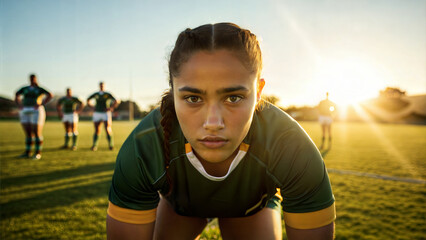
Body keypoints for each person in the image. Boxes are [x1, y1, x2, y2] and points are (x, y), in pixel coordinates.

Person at [106, 23, 336, 240]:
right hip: (180, 206)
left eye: (233, 97)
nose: (213, 123)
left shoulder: (290, 145)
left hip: (252, 206)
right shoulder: (144, 146)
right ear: (173, 91)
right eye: (193, 98)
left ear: (258, 91)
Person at [15, 74, 53, 160]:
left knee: (36, 132)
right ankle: (28, 152)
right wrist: (19, 104)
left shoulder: (39, 89)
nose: (32, 80)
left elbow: (50, 95)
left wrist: (41, 103)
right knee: (28, 132)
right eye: (31, 79)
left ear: (36, 79)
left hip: (36, 110)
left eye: (34, 79)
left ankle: (37, 153)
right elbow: (16, 94)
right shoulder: (25, 88)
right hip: (25, 110)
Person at [87, 82, 118, 151]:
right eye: (100, 85)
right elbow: (88, 99)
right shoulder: (96, 94)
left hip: (105, 113)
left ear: (104, 86)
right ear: (99, 86)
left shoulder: (107, 94)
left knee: (107, 128)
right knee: (97, 129)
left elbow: (116, 101)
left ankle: (111, 145)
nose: (101, 86)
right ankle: (95, 145)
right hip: (97, 113)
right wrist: (91, 107)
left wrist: (111, 107)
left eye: (103, 85)